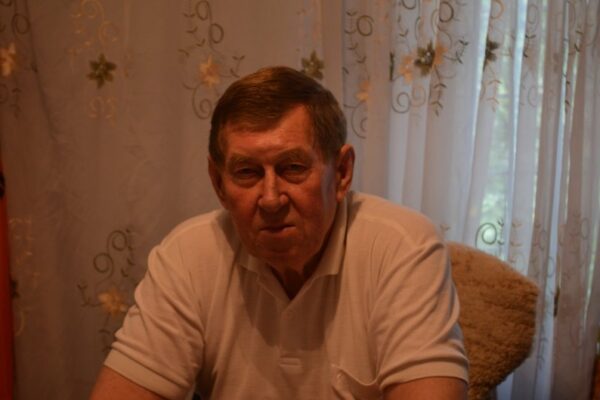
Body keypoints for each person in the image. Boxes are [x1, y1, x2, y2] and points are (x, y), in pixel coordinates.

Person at [90, 66, 468, 399]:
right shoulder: (187, 256)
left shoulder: (404, 247)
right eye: (247, 172)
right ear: (218, 183)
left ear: (341, 173)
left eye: (293, 168)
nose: (270, 199)